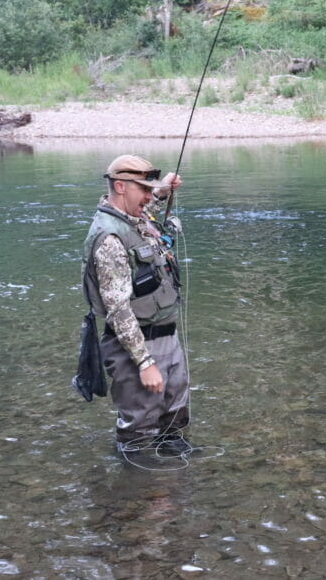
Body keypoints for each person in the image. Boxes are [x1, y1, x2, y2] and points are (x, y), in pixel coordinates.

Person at [81, 154, 192, 455]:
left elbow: (147, 205)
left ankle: (174, 473)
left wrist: (162, 190)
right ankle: (136, 488)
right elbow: (117, 310)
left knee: (174, 414)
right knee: (139, 428)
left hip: (165, 336)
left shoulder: (133, 214)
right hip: (137, 346)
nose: (148, 197)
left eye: (149, 190)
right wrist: (145, 363)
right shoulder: (109, 239)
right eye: (144, 189)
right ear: (120, 186)